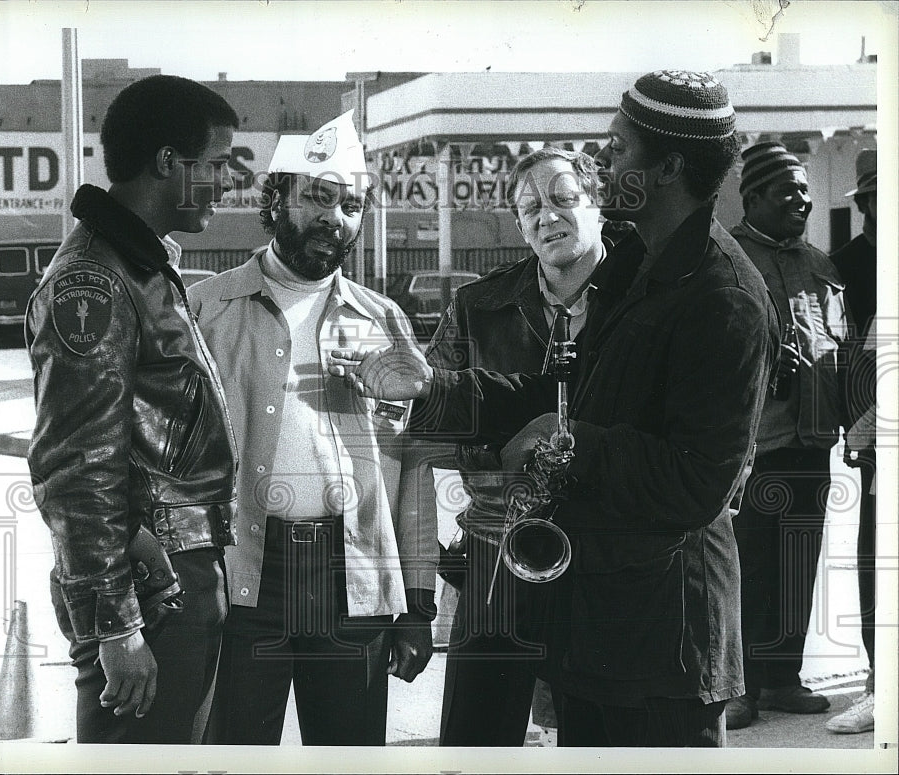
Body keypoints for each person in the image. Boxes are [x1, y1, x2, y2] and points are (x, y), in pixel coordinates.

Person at [329, 70, 780, 748]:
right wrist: (435, 387)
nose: (602, 159)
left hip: (665, 642)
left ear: (669, 167)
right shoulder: (639, 269)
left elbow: (696, 479)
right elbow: (561, 395)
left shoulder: (724, 296)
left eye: (617, 147)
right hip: (601, 627)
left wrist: (567, 442)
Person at [188, 110, 438, 746]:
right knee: (234, 753)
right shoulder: (208, 310)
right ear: (277, 201)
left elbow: (412, 474)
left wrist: (417, 602)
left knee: (350, 756)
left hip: (352, 575)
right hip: (245, 571)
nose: (336, 218)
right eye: (319, 198)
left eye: (351, 205)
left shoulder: (383, 320)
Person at [25, 74, 240, 744]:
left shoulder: (138, 263)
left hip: (172, 574)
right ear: (168, 164)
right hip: (148, 591)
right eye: (215, 164)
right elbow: (75, 467)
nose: (226, 182)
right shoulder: (95, 276)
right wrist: (117, 623)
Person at [420, 146, 628, 746]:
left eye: (563, 200)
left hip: (611, 555)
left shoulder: (644, 297)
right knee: (474, 735)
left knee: (602, 738)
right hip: (501, 554)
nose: (546, 217)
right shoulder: (476, 305)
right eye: (529, 207)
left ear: (597, 204)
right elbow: (430, 423)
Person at [725, 142, 848, 730]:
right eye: (787, 192)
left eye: (804, 191)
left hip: (813, 438)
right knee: (750, 565)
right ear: (752, 199)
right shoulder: (726, 258)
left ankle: (782, 678)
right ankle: (742, 684)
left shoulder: (820, 263)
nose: (801, 201)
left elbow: (838, 343)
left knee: (799, 561)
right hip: (755, 444)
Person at [826, 148, 878, 734]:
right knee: (875, 555)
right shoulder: (841, 267)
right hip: (874, 430)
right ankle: (875, 681)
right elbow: (841, 352)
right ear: (863, 204)